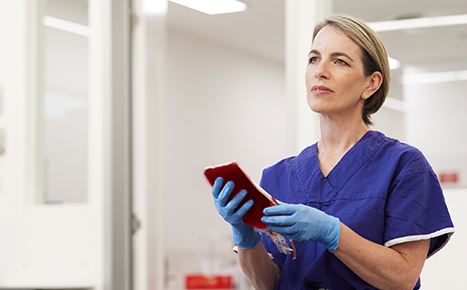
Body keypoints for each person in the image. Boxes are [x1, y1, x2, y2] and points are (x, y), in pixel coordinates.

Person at [211, 14, 454, 290]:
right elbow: (268, 284)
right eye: (314, 58)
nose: (320, 70)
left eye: (339, 61)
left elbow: (402, 278)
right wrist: (245, 236)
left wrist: (333, 232)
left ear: (371, 84)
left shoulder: (404, 166)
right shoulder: (278, 176)